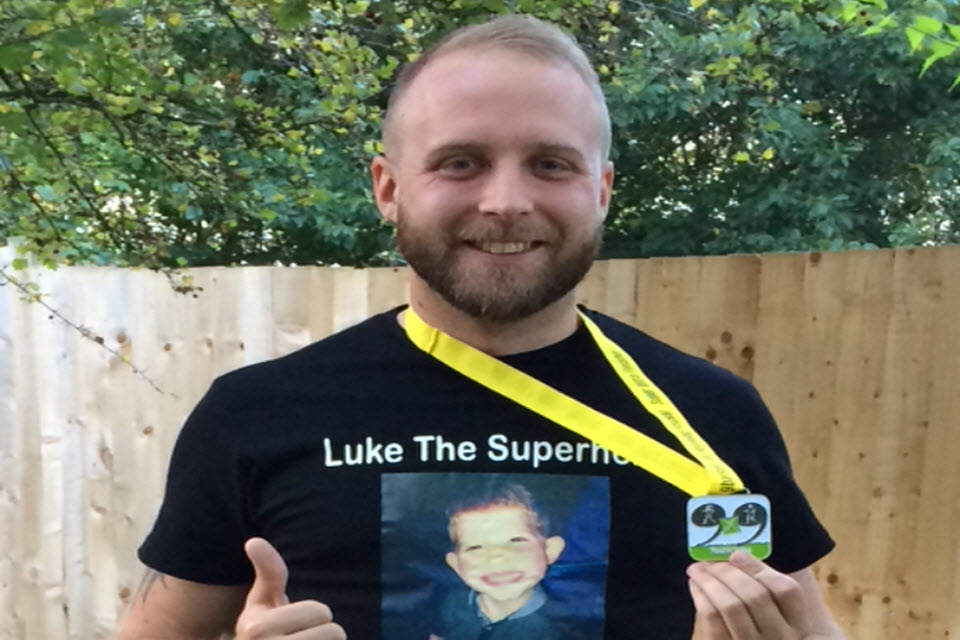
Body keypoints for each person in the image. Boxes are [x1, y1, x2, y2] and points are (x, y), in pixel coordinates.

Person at [115, 14, 846, 640]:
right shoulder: (254, 416)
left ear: (601, 190)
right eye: (461, 162)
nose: (506, 200)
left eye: (551, 164)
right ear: (389, 189)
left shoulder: (713, 419)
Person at [431, 483, 594, 640]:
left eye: (516, 540)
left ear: (549, 550)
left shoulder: (562, 630)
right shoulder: (453, 602)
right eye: (475, 547)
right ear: (456, 564)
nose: (496, 557)